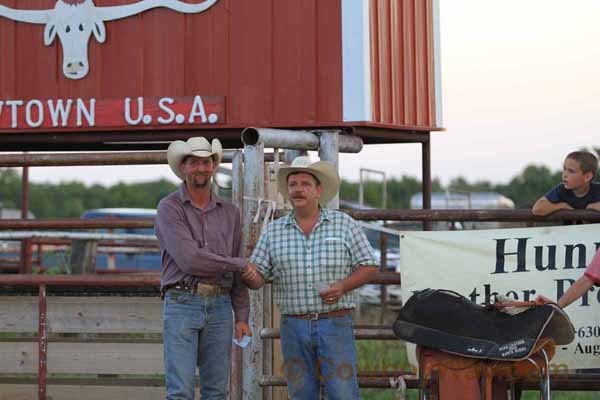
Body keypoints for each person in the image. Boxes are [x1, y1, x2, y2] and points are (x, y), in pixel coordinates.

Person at [241, 156, 378, 400]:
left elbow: (369, 265)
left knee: (343, 393)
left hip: (335, 322)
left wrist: (342, 286)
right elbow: (258, 275)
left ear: (318, 190)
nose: (298, 189)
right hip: (293, 325)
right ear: (288, 192)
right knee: (301, 393)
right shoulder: (274, 230)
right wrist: (248, 274)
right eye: (293, 184)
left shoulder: (344, 224)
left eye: (305, 184)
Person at [155, 137, 251, 400]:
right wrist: (237, 264)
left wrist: (242, 316)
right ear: (184, 168)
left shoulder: (230, 212)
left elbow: (237, 272)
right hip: (182, 300)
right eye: (194, 162)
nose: (200, 168)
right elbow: (190, 260)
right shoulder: (169, 207)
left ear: (214, 166)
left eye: (206, 162)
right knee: (181, 391)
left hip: (220, 304)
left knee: (217, 391)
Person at [532, 150, 600, 216]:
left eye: (571, 171)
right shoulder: (561, 190)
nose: (565, 174)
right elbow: (537, 209)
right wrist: (562, 206)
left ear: (587, 177)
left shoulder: (597, 190)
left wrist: (591, 207)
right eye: (564, 169)